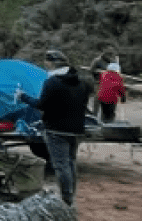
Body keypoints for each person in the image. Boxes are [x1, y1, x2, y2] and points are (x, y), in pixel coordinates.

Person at [18, 49, 91, 207]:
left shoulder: (52, 82)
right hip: (77, 129)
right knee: (71, 162)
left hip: (56, 129)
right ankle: (71, 195)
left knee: (61, 165)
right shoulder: (82, 81)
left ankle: (66, 199)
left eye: (46, 63)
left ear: (51, 63)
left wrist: (23, 96)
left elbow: (42, 105)